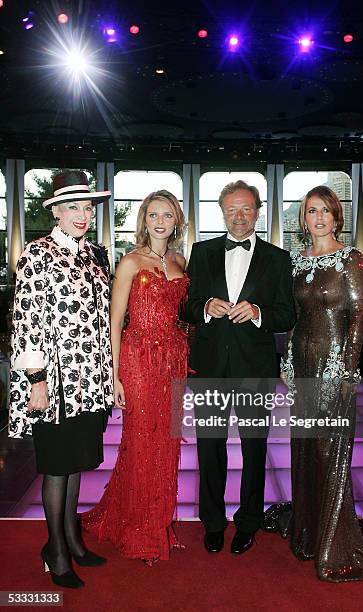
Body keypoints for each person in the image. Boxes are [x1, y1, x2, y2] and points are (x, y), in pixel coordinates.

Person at [273, 185, 363, 581]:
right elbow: (295, 319)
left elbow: (358, 318)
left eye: (325, 211)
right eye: (311, 211)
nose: (318, 218)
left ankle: (335, 540)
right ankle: (309, 531)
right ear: (304, 217)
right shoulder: (297, 263)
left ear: (336, 217)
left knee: (330, 451)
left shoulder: (351, 260)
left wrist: (347, 370)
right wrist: (286, 362)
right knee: (304, 449)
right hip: (302, 362)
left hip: (335, 364)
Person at [8, 170, 114, 589]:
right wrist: (36, 378)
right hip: (53, 381)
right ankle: (54, 549)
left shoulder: (95, 255)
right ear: (55, 210)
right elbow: (25, 319)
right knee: (56, 467)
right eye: (74, 206)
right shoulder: (37, 253)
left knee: (75, 465)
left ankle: (72, 538)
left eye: (88, 207)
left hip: (90, 380)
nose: (83, 214)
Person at [184, 180, 296, 555]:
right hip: (211, 366)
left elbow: (287, 314)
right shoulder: (201, 253)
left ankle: (248, 523)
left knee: (254, 449)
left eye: (246, 208)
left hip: (255, 367)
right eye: (231, 209)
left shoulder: (279, 259)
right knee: (209, 448)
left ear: (258, 211)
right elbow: (184, 305)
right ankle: (213, 524)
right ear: (222, 211)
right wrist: (204, 308)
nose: (239, 216)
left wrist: (259, 312)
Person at [82, 190, 188, 565]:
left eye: (168, 215)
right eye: (154, 215)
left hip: (173, 362)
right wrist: (114, 375)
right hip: (138, 360)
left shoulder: (179, 259)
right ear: (144, 219)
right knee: (142, 442)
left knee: (167, 445)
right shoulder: (129, 262)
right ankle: (139, 531)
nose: (160, 221)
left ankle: (157, 522)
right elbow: (114, 321)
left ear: (177, 221)